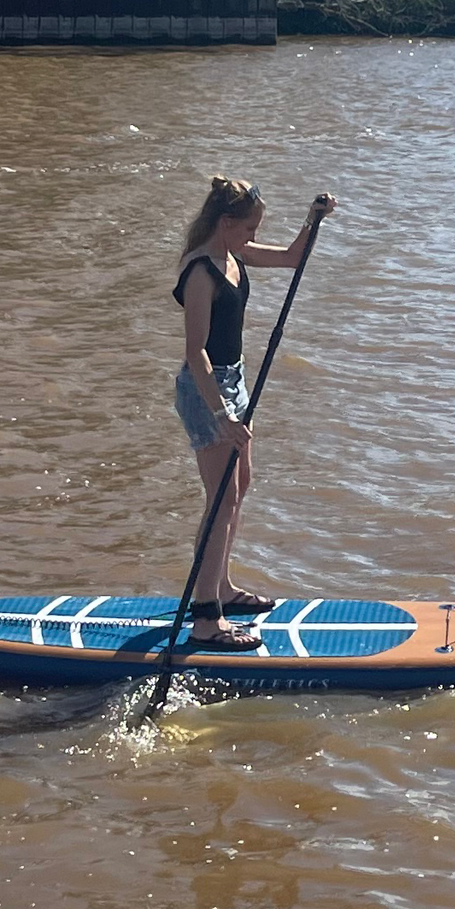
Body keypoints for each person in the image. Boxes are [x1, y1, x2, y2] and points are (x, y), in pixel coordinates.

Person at [173, 177, 337, 647]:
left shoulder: (233, 255)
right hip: (207, 392)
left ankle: (221, 587)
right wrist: (222, 414)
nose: (251, 236)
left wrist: (314, 219)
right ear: (225, 223)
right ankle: (206, 619)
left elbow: (291, 258)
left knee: (239, 487)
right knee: (221, 498)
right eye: (248, 228)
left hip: (234, 381)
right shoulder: (201, 271)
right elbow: (196, 353)